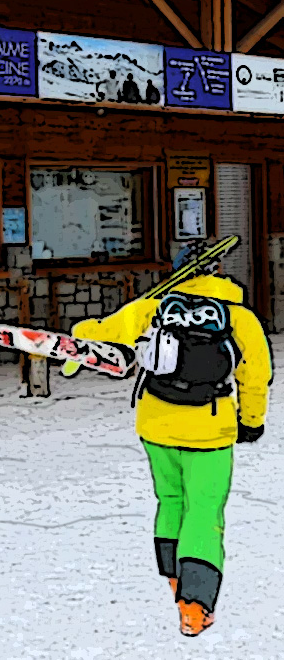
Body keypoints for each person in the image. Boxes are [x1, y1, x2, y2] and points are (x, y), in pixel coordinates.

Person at [70, 239, 272, 637]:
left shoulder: (153, 309)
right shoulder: (238, 317)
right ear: (216, 275)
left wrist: (77, 336)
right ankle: (195, 606)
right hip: (209, 429)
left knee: (171, 500)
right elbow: (255, 374)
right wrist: (251, 421)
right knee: (204, 510)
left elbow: (104, 334)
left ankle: (174, 579)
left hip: (156, 424)